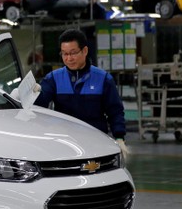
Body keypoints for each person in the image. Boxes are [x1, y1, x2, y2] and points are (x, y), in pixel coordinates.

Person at [34, 29, 128, 158]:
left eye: (73, 53)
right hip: (66, 143)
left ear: (85, 51)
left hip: (97, 141)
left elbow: (115, 111)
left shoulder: (103, 79)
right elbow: (38, 107)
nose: (69, 58)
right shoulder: (53, 78)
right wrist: (32, 95)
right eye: (64, 54)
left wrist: (119, 137)